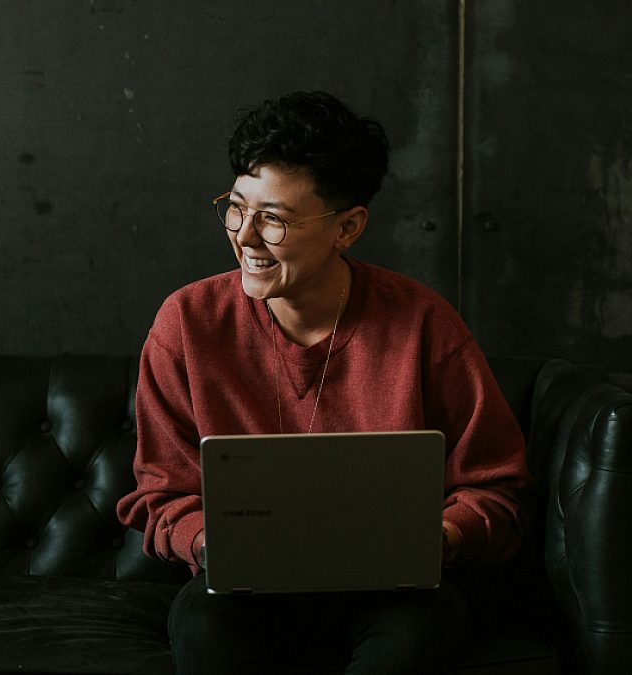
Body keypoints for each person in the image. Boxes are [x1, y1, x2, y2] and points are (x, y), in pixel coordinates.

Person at [116, 91, 531, 674]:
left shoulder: (423, 324)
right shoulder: (187, 322)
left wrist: (442, 536)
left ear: (348, 227)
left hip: (395, 592)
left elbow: (497, 492)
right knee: (204, 627)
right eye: (236, 208)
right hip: (244, 595)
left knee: (417, 636)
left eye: (275, 220)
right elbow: (160, 495)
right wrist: (212, 542)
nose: (245, 237)